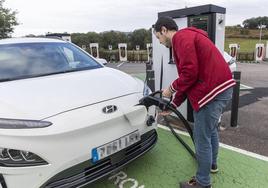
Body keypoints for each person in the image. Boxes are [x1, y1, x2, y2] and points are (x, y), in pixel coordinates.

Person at [153, 16, 235, 188]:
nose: (160, 42)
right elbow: (188, 79)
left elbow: (190, 73)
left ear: (164, 30)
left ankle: (202, 183)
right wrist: (173, 105)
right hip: (220, 89)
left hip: (212, 92)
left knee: (201, 138)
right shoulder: (188, 37)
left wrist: (171, 88)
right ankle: (212, 164)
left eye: (158, 37)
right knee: (210, 131)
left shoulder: (181, 39)